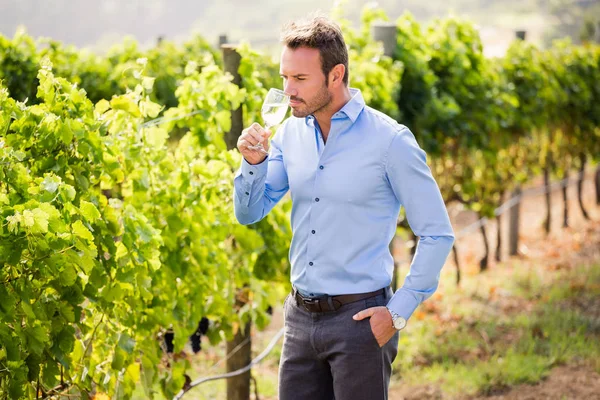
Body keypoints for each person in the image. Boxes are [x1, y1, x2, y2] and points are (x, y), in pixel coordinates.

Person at [233, 15, 455, 400]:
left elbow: (437, 233)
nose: (288, 91)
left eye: (300, 80)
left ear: (336, 75)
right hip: (299, 321)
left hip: (361, 322)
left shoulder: (391, 142)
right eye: (284, 78)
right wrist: (252, 165)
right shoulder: (287, 134)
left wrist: (396, 312)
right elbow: (250, 213)